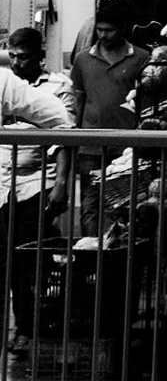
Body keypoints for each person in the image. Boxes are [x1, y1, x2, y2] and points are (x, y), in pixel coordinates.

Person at [0, 32, 76, 350]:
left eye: (24, 56)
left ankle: (27, 329)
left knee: (25, 259)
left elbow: (64, 132)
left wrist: (60, 185)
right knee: (8, 259)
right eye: (13, 56)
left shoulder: (57, 86)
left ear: (40, 56)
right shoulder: (7, 83)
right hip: (2, 182)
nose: (18, 62)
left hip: (36, 183)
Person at [68, 0, 149, 231]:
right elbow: (79, 101)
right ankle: (91, 248)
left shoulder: (141, 58)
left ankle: (119, 248)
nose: (103, 35)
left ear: (123, 29)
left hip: (127, 145)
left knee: (126, 203)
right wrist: (75, 138)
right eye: (99, 29)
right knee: (90, 203)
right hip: (90, 144)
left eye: (109, 30)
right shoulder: (83, 59)